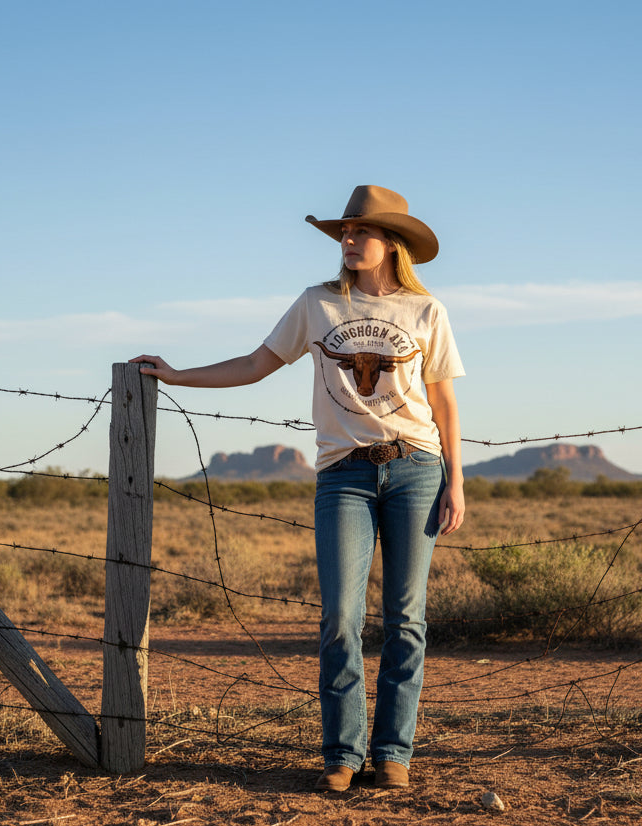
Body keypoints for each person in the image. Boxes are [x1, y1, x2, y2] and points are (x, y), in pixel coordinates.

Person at [131, 185, 465, 792]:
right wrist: (178, 375)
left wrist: (456, 483)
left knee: (406, 619)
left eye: (360, 232)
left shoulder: (426, 312)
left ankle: (393, 752)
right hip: (344, 474)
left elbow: (443, 400)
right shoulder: (316, 305)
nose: (348, 240)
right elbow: (257, 364)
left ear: (391, 243)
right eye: (343, 232)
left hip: (417, 468)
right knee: (340, 616)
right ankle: (343, 753)